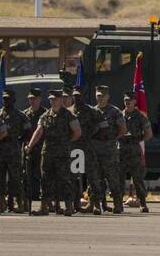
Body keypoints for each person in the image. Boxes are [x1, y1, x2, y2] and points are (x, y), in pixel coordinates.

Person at [28, 88, 80, 216]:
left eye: (55, 99)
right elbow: (39, 131)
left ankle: (68, 206)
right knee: (46, 180)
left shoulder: (69, 115)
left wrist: (66, 142)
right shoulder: (45, 116)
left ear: (61, 99)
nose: (53, 101)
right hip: (48, 152)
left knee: (64, 180)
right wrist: (30, 145)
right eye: (51, 99)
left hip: (62, 153)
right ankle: (44, 207)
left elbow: (77, 132)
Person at [92, 86, 127, 214]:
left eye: (102, 96)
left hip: (109, 151)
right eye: (98, 95)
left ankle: (118, 204)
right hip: (95, 150)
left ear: (108, 97)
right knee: (95, 179)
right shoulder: (92, 111)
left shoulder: (114, 111)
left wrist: (112, 139)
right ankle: (96, 205)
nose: (100, 98)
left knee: (112, 178)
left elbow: (123, 129)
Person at [0, 89, 30, 212]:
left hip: (14, 150)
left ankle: (20, 202)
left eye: (8, 99)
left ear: (14, 100)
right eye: (4, 99)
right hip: (0, 150)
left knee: (15, 179)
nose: (6, 101)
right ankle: (1, 203)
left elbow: (28, 132)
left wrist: (21, 140)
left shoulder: (21, 116)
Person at [70, 90, 102, 213]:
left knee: (93, 177)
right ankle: (75, 204)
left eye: (80, 96)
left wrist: (92, 135)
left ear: (84, 96)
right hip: (74, 148)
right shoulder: (68, 111)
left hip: (88, 147)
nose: (77, 98)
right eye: (75, 96)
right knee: (74, 177)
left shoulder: (93, 111)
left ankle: (95, 204)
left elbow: (102, 127)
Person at [119, 93, 152, 212]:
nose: (127, 102)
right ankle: (118, 203)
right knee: (119, 178)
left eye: (130, 100)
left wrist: (137, 139)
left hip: (134, 151)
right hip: (121, 150)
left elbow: (149, 134)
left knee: (138, 178)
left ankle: (142, 203)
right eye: (125, 100)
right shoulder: (119, 115)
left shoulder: (140, 117)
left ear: (134, 101)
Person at [22, 88, 45, 204]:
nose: (32, 101)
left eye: (34, 99)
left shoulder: (45, 114)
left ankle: (41, 195)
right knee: (27, 173)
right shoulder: (24, 114)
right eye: (30, 99)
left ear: (40, 99)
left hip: (41, 148)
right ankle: (29, 196)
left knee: (41, 173)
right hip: (28, 148)